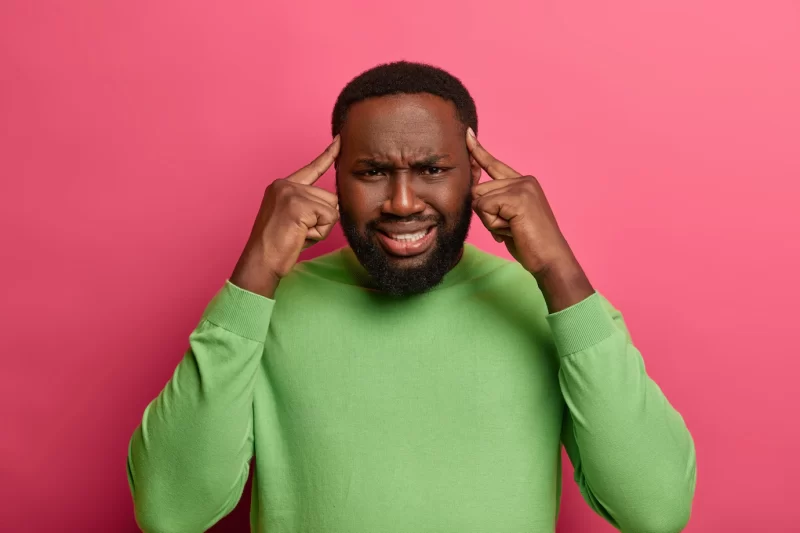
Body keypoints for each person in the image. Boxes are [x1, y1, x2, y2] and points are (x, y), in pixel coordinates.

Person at [127, 61, 696, 533]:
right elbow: (170, 512)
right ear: (335, 180)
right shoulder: (264, 309)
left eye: (431, 168)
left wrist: (558, 270)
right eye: (372, 171)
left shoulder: (546, 306)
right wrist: (254, 272)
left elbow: (655, 509)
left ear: (475, 175)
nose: (402, 202)